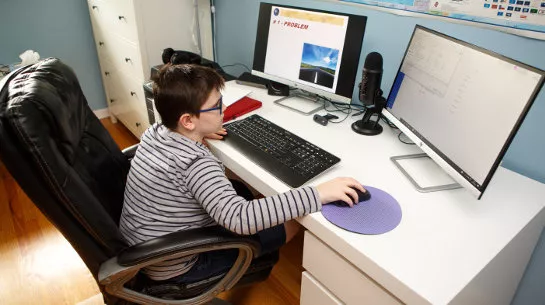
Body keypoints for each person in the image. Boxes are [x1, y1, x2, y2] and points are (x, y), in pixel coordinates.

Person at [118, 64, 365, 283]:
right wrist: (317, 193)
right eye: (216, 107)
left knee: (245, 190)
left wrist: (202, 130)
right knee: (293, 222)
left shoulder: (156, 131)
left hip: (145, 239)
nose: (224, 108)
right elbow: (239, 218)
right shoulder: (195, 164)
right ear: (188, 121)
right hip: (175, 263)